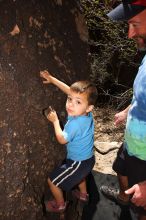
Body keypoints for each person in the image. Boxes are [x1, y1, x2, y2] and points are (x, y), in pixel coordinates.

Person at [100, 0, 146, 219]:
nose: (129, 34)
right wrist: (128, 111)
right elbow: (141, 95)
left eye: (135, 25)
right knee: (120, 167)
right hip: (133, 142)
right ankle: (123, 197)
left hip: (145, 157)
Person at [40, 70, 97, 213]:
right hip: (88, 159)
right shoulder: (86, 113)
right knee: (81, 176)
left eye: (77, 102)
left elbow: (62, 139)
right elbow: (70, 91)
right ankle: (83, 196)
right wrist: (52, 79)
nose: (71, 104)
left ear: (89, 107)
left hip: (78, 163)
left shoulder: (75, 124)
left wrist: (55, 121)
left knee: (52, 182)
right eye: (69, 99)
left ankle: (60, 205)